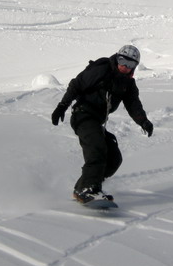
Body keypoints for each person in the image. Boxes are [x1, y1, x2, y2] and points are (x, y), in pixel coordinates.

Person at [51, 45, 153, 204]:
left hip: (97, 121)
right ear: (117, 58)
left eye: (131, 64)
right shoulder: (102, 69)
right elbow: (77, 84)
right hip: (83, 115)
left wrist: (143, 121)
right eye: (123, 61)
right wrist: (62, 106)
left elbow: (133, 104)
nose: (125, 67)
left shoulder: (128, 84)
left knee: (114, 159)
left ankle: (82, 188)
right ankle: (90, 189)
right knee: (97, 148)